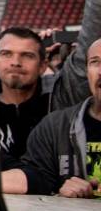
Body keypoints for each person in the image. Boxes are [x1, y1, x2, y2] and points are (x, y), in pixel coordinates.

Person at [14, 38, 101, 198]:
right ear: (87, 71)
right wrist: (60, 197)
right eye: (95, 62)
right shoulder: (54, 128)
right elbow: (35, 188)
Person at [0, 27, 49, 158]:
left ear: (42, 66)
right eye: (6, 54)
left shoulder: (56, 105)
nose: (16, 62)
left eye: (27, 56)